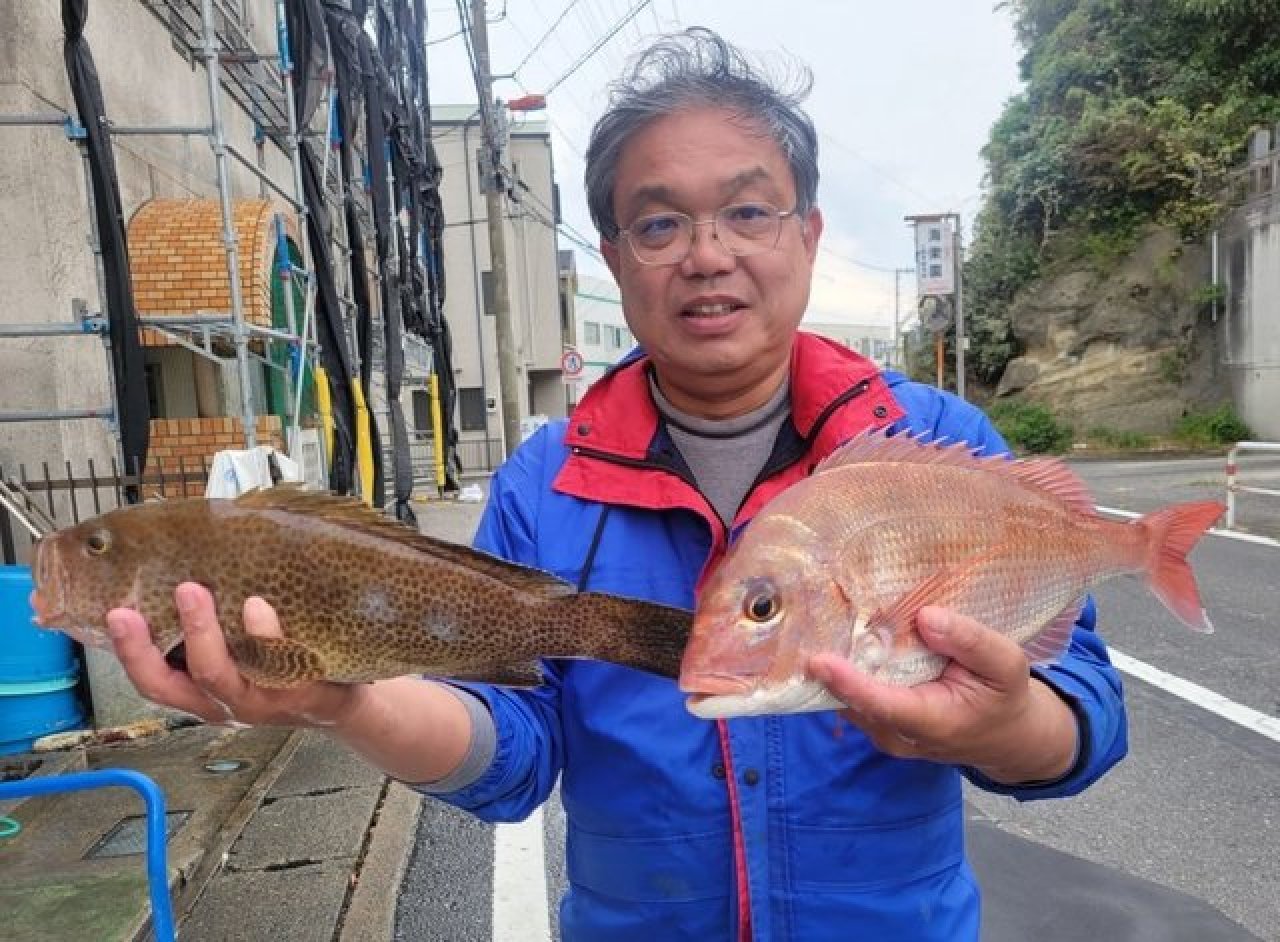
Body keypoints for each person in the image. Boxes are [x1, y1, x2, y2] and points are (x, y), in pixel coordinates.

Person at [106, 27, 1127, 940]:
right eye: (658, 224)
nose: (706, 254)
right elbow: (511, 749)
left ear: (806, 235)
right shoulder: (544, 487)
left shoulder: (935, 443)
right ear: (613, 254)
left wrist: (1006, 729)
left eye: (746, 210)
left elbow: (1082, 710)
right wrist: (344, 703)